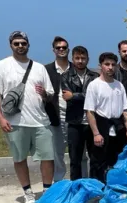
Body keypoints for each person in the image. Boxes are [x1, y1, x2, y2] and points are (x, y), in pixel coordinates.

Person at [0, 31, 55, 203]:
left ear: (28, 45)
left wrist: (45, 94)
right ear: (11, 45)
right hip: (15, 122)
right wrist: (0, 119)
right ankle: (28, 192)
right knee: (19, 159)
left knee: (47, 157)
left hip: (40, 120)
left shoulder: (39, 68)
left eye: (23, 43)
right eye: (16, 43)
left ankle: (47, 191)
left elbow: (50, 94)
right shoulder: (1, 67)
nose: (20, 46)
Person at [83, 53, 127, 183]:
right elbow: (90, 111)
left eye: (112, 65)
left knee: (116, 161)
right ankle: (97, 190)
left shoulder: (119, 85)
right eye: (107, 64)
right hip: (101, 126)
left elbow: (125, 110)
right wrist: (96, 133)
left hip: (118, 127)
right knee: (98, 162)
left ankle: (114, 189)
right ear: (101, 66)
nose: (110, 67)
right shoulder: (94, 85)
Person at [62, 46, 97, 180]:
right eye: (77, 58)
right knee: (75, 159)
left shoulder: (95, 76)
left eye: (83, 58)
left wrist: (74, 95)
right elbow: (67, 96)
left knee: (95, 158)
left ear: (88, 59)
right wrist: (83, 96)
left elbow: (95, 97)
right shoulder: (65, 77)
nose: (80, 61)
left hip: (92, 122)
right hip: (74, 122)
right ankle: (76, 187)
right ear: (72, 59)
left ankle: (95, 186)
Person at [44, 36, 72, 183]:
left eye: (64, 47)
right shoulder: (46, 70)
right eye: (58, 48)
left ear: (68, 49)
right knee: (57, 153)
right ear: (53, 50)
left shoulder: (75, 68)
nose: (61, 50)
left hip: (75, 118)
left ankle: (81, 181)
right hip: (55, 117)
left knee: (80, 154)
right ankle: (59, 183)